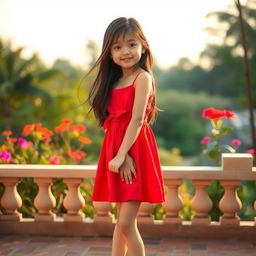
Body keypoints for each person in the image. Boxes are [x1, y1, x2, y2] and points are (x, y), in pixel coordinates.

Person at [85, 17, 165, 256]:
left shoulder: (143, 78)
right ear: (109, 53)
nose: (125, 51)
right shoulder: (114, 81)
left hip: (135, 150)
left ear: (143, 46)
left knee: (127, 224)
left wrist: (124, 155)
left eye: (131, 44)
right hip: (117, 150)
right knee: (120, 223)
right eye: (117, 47)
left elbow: (137, 120)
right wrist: (118, 155)